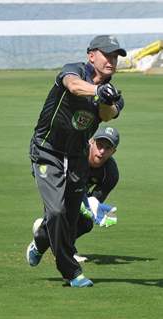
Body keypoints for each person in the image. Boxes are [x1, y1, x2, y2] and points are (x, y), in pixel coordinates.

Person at [26, 35, 126, 288]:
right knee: (56, 211)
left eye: (116, 57)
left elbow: (107, 114)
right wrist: (97, 90)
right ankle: (71, 271)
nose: (112, 60)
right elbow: (72, 85)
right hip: (47, 149)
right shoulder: (75, 70)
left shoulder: (113, 93)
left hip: (78, 155)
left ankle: (40, 240)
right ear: (91, 55)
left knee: (70, 217)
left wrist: (107, 98)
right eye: (107, 54)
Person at [31, 126, 120, 263]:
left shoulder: (111, 174)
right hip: (55, 180)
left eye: (107, 148)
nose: (102, 151)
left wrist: (95, 207)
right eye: (99, 145)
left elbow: (93, 201)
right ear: (91, 142)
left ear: (113, 152)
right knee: (63, 211)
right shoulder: (77, 155)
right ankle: (58, 246)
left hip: (77, 191)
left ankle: (45, 232)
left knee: (86, 222)